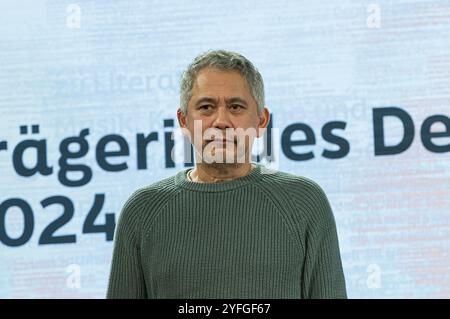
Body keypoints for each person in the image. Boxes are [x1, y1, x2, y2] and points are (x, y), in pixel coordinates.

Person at [106, 49, 347, 299]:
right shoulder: (143, 211)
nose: (221, 121)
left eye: (235, 106)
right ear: (184, 121)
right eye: (206, 107)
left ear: (261, 120)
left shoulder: (304, 202)